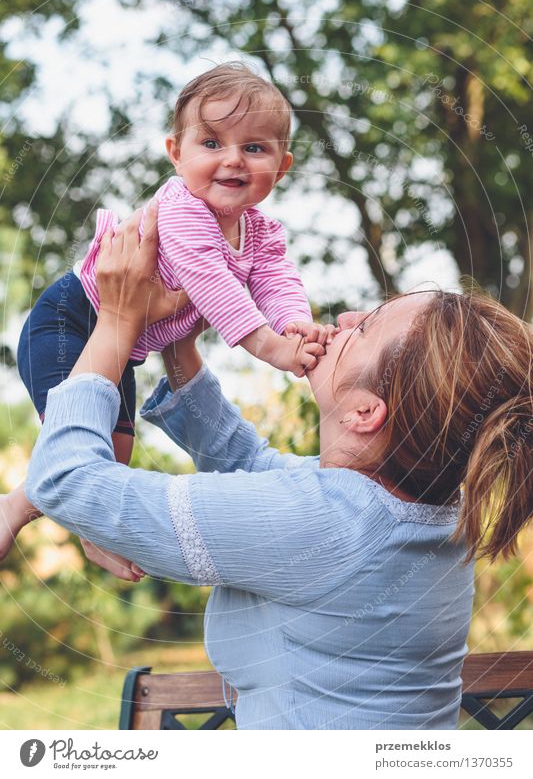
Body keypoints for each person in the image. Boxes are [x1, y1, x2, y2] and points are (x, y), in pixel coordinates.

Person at [25, 205, 533, 730]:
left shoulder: (328, 524)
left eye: (366, 331)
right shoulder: (423, 509)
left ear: (364, 411)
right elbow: (257, 468)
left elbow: (64, 480)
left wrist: (114, 321)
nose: (345, 320)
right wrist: (180, 339)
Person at [2, 62, 333, 561]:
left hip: (125, 343)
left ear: (281, 167)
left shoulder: (262, 231)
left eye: (255, 147)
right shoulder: (181, 208)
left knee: (115, 453)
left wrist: (293, 323)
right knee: (78, 439)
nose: (233, 160)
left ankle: (93, 533)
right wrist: (269, 347)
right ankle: (14, 509)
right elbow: (212, 284)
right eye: (212, 143)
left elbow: (276, 279)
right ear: (176, 155)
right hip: (71, 322)